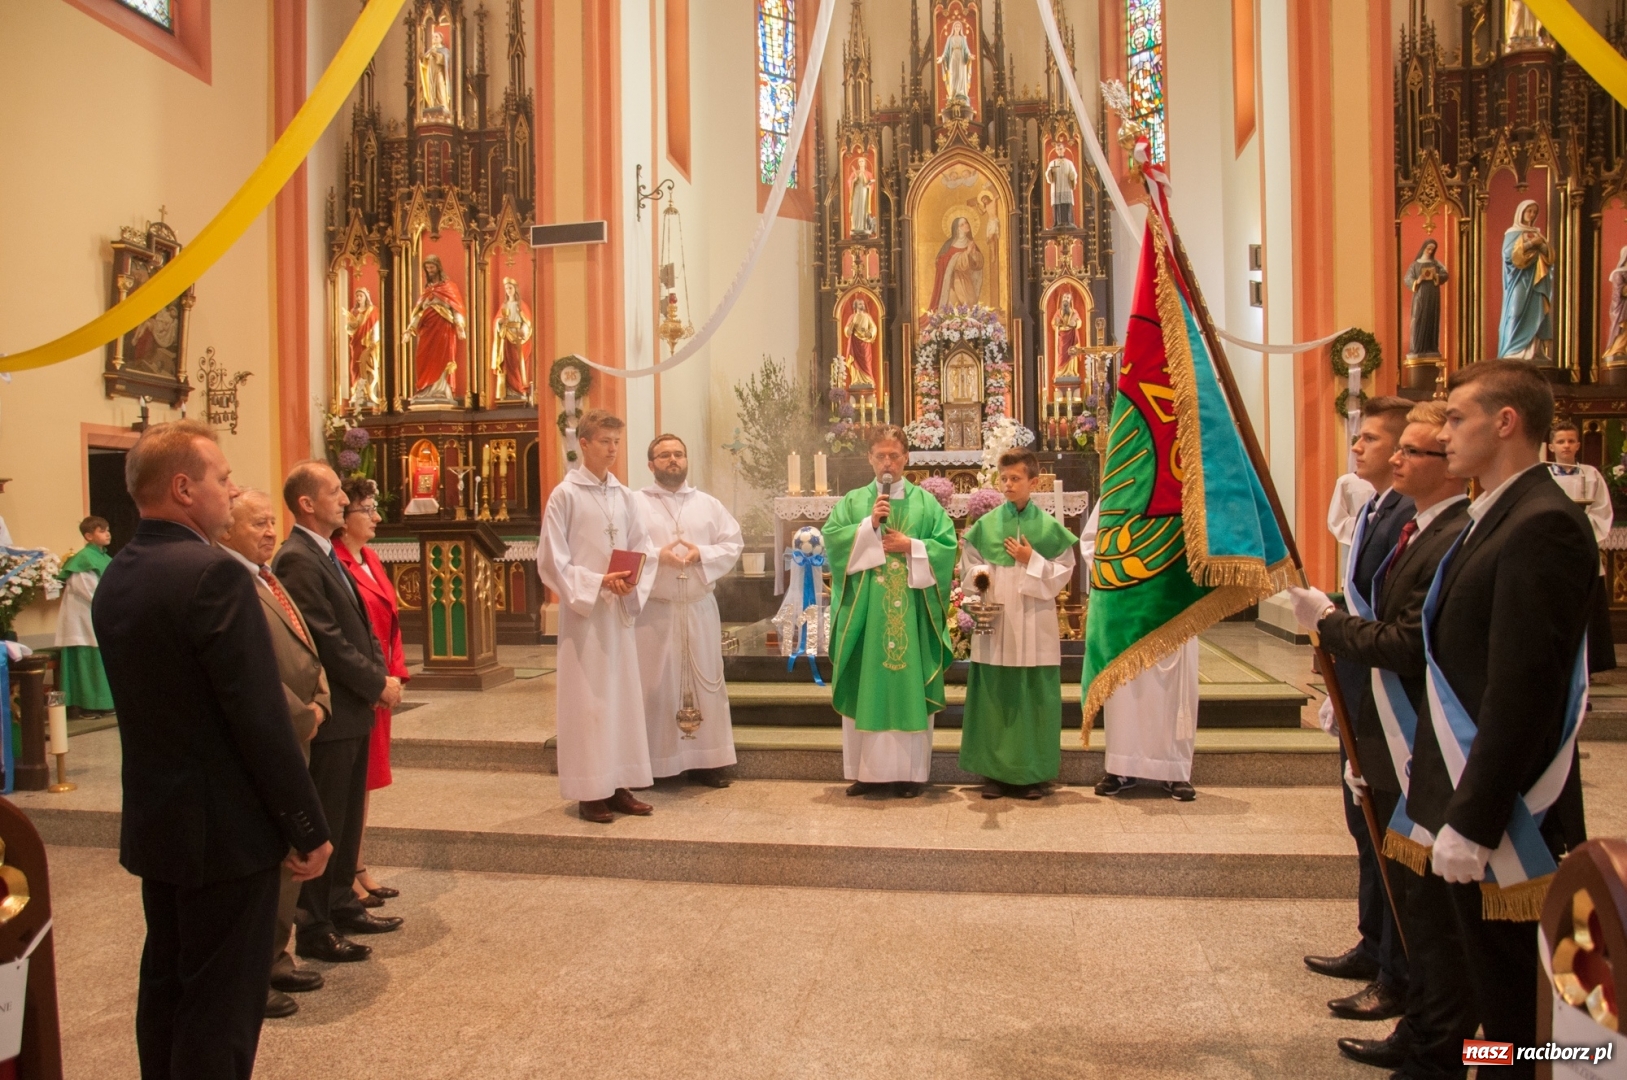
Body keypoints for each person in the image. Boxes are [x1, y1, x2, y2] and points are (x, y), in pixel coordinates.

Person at [92, 420, 331, 1079]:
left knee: (167, 983)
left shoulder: (121, 573)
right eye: (221, 479)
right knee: (222, 1004)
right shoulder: (213, 576)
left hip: (159, 820)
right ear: (181, 487)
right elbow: (256, 717)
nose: (230, 490)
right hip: (225, 832)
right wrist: (307, 825)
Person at [1409, 359, 1592, 1077]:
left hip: (1508, 817)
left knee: (1524, 1004)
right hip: (1472, 793)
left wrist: (1474, 819)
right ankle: (1494, 1067)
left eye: (1456, 418)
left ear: (1505, 423)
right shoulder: (1498, 512)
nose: (1443, 432)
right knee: (1493, 992)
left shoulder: (1542, 522)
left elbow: (1522, 687)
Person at [1288, 401, 1472, 1071]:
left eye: (1383, 443)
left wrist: (1330, 624)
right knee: (1370, 836)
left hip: (1408, 715)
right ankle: (1385, 957)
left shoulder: (1443, 526)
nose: (1372, 453)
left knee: (1402, 856)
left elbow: (1405, 634)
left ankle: (1417, 1001)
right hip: (1372, 700)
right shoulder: (1384, 512)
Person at [1301, 396, 1416, 1023]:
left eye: (1370, 438)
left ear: (1400, 450)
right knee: (1363, 825)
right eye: (1358, 436)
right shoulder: (1372, 507)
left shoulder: (1407, 515)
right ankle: (1374, 944)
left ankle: (1397, 970)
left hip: (1389, 699)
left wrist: (1331, 622)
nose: (1356, 447)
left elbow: (1387, 617)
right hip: (1363, 688)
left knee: (1386, 827)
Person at [274, 462, 403, 963]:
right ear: (307, 503)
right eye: (333, 493)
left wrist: (379, 677)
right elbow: (324, 638)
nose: (344, 503)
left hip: (358, 704)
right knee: (328, 816)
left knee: (348, 815)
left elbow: (362, 626)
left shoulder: (326, 552)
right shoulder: (298, 559)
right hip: (336, 708)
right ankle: (315, 924)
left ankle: (343, 901)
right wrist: (375, 681)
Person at [218, 490, 333, 1022]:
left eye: (271, 522)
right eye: (256, 523)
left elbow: (306, 647)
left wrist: (322, 698)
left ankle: (276, 955)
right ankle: (251, 973)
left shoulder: (268, 575)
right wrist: (303, 714)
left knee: (290, 854)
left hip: (301, 723)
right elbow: (251, 669)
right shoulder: (229, 581)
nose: (269, 531)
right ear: (226, 529)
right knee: (270, 857)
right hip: (278, 727)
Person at [537, 410, 659, 823]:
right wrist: (595, 583)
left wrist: (630, 583)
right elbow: (552, 560)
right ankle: (589, 790)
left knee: (621, 699)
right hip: (585, 616)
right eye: (605, 441)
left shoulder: (625, 497)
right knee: (587, 701)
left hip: (618, 613)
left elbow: (644, 549)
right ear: (583, 444)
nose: (612, 449)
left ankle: (619, 783)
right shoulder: (565, 495)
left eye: (617, 442)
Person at [824, 426, 957, 798]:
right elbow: (833, 541)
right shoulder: (854, 503)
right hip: (867, 616)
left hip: (911, 615)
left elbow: (947, 548)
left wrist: (910, 545)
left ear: (906, 459)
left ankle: (910, 775)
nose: (887, 463)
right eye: (880, 455)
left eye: (894, 456)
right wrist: (870, 525)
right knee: (867, 684)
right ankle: (866, 774)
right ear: (869, 458)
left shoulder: (925, 504)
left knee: (906, 684)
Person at [958, 449, 1077, 799]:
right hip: (998, 617)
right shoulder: (986, 525)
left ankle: (1032, 774)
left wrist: (1031, 559)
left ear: (1033, 482)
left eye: (1015, 479)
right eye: (1003, 479)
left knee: (1033, 694)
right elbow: (970, 565)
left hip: (1034, 619)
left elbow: (1064, 571)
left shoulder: (1049, 528)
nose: (1008, 485)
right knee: (995, 694)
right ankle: (993, 773)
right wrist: (984, 583)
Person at [633, 435, 743, 787]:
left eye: (679, 454)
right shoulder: (634, 504)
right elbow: (623, 551)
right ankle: (656, 763)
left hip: (697, 608)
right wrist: (656, 557)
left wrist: (702, 555)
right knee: (657, 684)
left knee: (706, 682)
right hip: (655, 613)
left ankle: (708, 762)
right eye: (664, 455)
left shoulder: (707, 504)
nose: (673, 460)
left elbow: (732, 543)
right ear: (651, 464)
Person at [1079, 506, 1200, 801]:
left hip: (1171, 603)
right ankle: (1121, 767)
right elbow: (1092, 541)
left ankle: (1175, 772)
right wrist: (1122, 570)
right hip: (1127, 602)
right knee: (1124, 691)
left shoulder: (1182, 488)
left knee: (1171, 691)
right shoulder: (1124, 485)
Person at [330, 477, 410, 905]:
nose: (377, 516)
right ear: (344, 518)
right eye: (368, 509)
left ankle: (356, 863)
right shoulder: (335, 561)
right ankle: (349, 870)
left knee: (363, 781)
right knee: (350, 783)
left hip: (381, 683)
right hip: (361, 686)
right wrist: (377, 682)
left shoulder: (370, 558)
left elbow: (391, 621)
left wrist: (394, 675)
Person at [1547, 419, 1616, 674]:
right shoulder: (1543, 474)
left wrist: (1582, 535)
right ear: (1551, 446)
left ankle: (1588, 666)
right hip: (1553, 553)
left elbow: (1602, 511)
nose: (1566, 446)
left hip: (1583, 552)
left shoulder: (1591, 474)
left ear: (1578, 444)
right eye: (1560, 441)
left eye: (1570, 441)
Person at [54, 515, 115, 718]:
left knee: (98, 658)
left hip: (97, 614)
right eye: (101, 530)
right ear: (88, 536)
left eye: (107, 529)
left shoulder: (105, 557)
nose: (107, 533)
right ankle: (85, 704)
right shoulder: (84, 559)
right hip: (82, 617)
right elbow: (88, 590)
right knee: (85, 659)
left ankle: (102, 702)